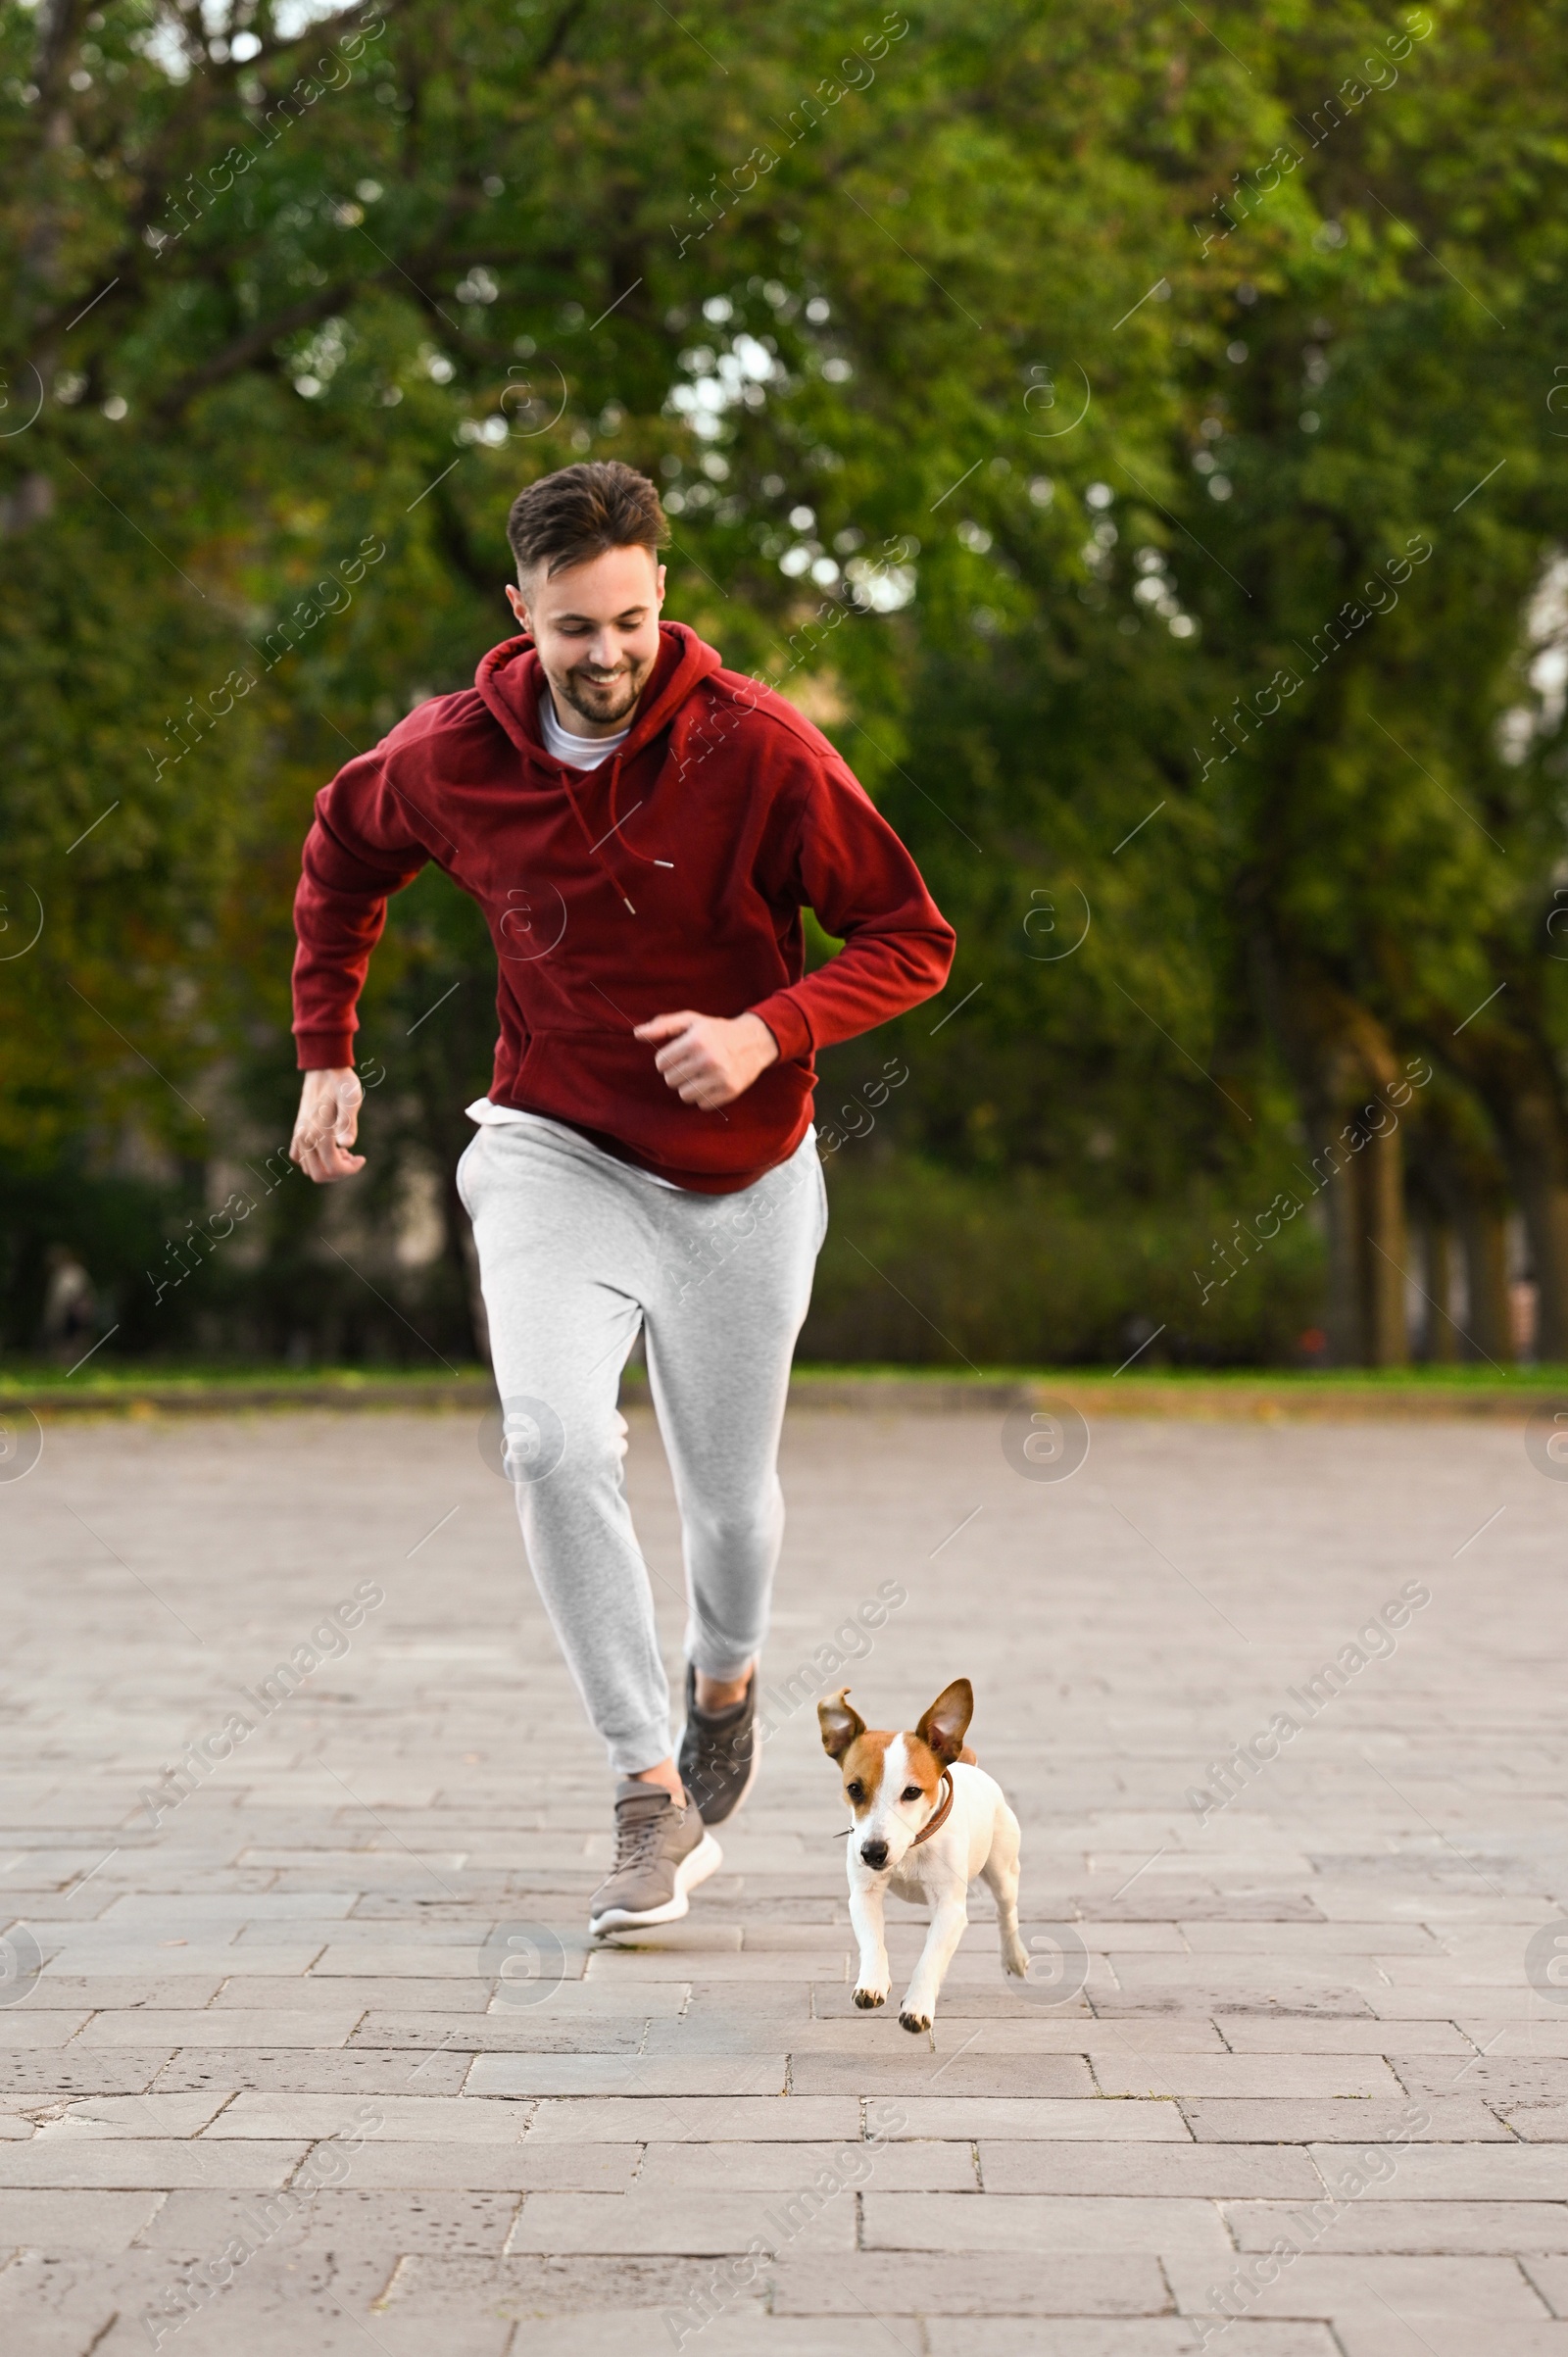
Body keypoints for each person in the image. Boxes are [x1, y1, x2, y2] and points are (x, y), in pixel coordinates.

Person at [288, 461, 955, 1935]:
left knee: (730, 1505)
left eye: (633, 621)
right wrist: (325, 1052)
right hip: (554, 1145)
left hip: (743, 1178)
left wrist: (768, 1027)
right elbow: (343, 851)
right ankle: (648, 1795)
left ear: (666, 597)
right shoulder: (451, 753)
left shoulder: (762, 748)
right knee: (550, 1438)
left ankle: (726, 1675)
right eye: (575, 627)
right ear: (519, 611)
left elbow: (914, 935)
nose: (607, 655)